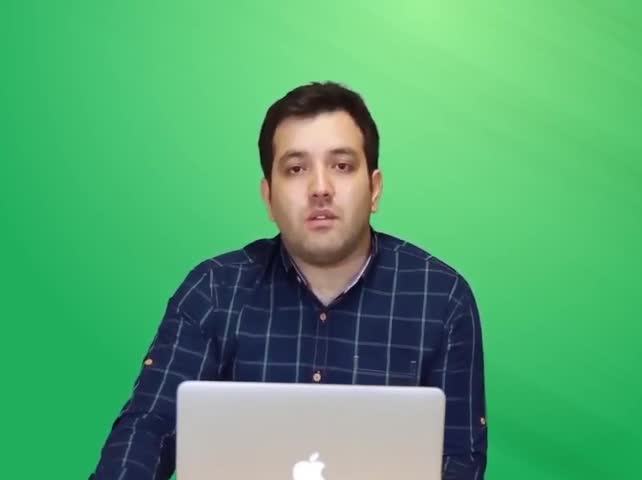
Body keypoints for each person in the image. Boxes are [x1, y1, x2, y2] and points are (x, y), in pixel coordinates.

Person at [90, 81, 488, 479]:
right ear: (268, 197)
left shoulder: (441, 299)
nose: (320, 189)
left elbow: (458, 460)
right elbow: (150, 427)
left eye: (342, 166)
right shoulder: (213, 291)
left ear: (375, 189)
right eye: (296, 169)